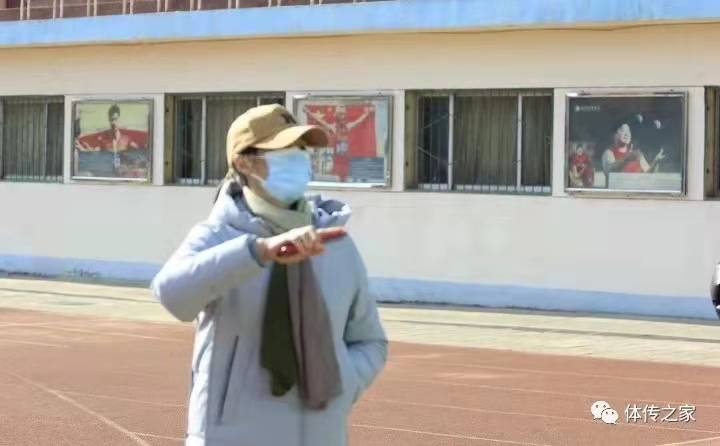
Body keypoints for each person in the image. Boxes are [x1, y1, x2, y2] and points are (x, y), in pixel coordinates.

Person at [151, 104, 387, 446]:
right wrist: (257, 252)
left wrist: (344, 380)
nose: (299, 162)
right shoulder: (217, 236)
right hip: (231, 436)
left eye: (302, 151)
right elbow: (172, 294)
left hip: (320, 435)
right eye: (283, 153)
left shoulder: (334, 243)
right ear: (244, 163)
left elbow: (369, 340)